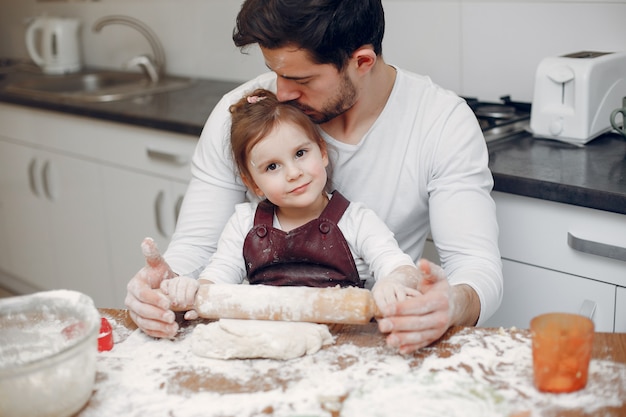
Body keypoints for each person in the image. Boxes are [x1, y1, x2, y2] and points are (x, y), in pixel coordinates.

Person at [126, 0, 503, 353]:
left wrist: (449, 305)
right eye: (276, 73)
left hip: (375, 346)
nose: (282, 93)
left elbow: (476, 267)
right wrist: (162, 292)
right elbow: (198, 248)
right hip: (262, 341)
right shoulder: (243, 117)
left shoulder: (440, 122)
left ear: (362, 61)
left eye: (301, 80)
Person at [160, 89, 421, 315]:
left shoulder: (357, 221)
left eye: (300, 153)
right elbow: (216, 279)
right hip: (265, 342)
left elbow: (399, 266)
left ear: (321, 151)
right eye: (272, 166)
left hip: (340, 341)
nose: (293, 173)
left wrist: (394, 282)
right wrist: (192, 290)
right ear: (252, 183)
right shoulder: (244, 224)